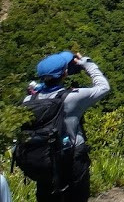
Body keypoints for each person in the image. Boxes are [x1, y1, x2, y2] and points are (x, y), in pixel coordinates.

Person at [21, 51, 110, 202]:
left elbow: (45, 91)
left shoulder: (28, 99)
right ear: (65, 73)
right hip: (72, 158)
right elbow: (103, 87)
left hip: (43, 159)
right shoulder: (72, 98)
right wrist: (87, 64)